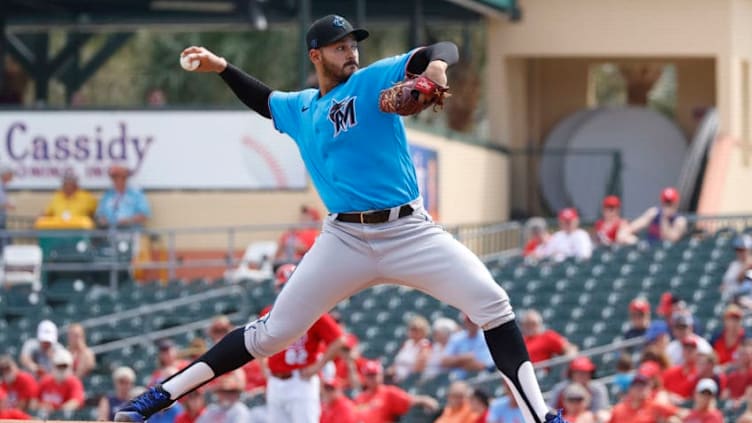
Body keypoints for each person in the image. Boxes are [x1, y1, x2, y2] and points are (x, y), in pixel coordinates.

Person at [116, 14, 571, 423]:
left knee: (493, 305)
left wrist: (434, 70)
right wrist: (221, 67)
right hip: (344, 239)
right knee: (272, 334)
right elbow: (264, 99)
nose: (350, 51)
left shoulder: (372, 79)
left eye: (353, 43)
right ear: (316, 55)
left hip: (409, 230)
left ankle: (541, 417)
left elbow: (442, 50)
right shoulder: (301, 109)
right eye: (339, 46)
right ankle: (154, 399)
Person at [261, 263, 347, 423]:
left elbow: (339, 340)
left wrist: (317, 366)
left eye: (289, 286)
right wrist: (263, 365)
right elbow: (259, 340)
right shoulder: (269, 312)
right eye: (282, 287)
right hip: (275, 380)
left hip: (300, 381)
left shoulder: (314, 311)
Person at [353, 360, 438, 423]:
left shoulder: (388, 392)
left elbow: (409, 400)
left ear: (380, 375)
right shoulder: (359, 398)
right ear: (364, 377)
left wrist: (426, 400)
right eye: (369, 375)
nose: (372, 379)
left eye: (374, 375)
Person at [440, 313, 495, 380]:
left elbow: (489, 365)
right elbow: (444, 361)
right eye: (469, 321)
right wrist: (464, 359)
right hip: (460, 379)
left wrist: (464, 363)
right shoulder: (457, 338)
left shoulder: (486, 336)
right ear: (465, 322)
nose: (472, 323)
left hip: (484, 377)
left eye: (473, 320)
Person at [608, 375, 683, 423]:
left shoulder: (655, 406)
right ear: (630, 389)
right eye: (637, 386)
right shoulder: (618, 410)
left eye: (644, 386)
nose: (641, 389)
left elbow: (681, 414)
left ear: (649, 389)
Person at [95, 164, 151, 229]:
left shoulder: (136, 194)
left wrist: (128, 220)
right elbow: (99, 214)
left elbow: (144, 215)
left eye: (116, 176)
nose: (114, 180)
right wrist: (102, 219)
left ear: (125, 177)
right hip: (110, 232)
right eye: (112, 177)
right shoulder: (108, 195)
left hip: (131, 232)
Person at [35, 349, 85, 413]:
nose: (61, 369)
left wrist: (56, 411)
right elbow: (34, 401)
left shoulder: (75, 382)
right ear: (53, 366)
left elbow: (75, 402)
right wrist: (41, 406)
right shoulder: (45, 380)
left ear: (70, 367)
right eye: (59, 366)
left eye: (64, 366)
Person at [388, 314, 431, 383]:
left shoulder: (424, 344)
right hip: (396, 376)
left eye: (416, 330)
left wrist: (403, 375)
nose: (413, 332)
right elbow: (397, 361)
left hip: (408, 378)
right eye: (412, 329)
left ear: (423, 331)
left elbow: (419, 366)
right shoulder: (408, 343)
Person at [662, 337, 701, 401]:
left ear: (696, 352)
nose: (688, 351)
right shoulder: (671, 371)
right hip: (669, 405)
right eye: (686, 348)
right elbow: (660, 390)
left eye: (691, 349)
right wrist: (670, 396)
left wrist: (683, 401)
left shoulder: (700, 373)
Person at [422, 317, 459, 381]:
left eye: (438, 332)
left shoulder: (455, 347)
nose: (435, 334)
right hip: (428, 378)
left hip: (444, 379)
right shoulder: (434, 347)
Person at [721, 235, 752, 300]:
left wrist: (746, 266)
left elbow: (740, 280)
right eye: (737, 250)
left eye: (742, 250)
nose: (739, 252)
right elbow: (724, 285)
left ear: (749, 250)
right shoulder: (734, 265)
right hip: (732, 298)